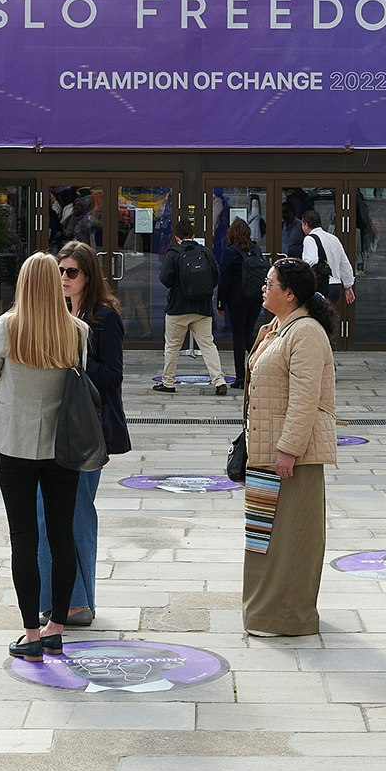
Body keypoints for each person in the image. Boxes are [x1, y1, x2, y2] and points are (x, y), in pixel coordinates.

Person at [0, 253, 94, 661]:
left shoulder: (7, 327)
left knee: (23, 539)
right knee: (61, 535)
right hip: (61, 447)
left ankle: (30, 633)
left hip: (14, 441)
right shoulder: (77, 330)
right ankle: (56, 628)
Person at [241, 256, 339, 637]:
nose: (264, 288)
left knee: (291, 538)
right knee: (264, 536)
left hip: (290, 457)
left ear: (290, 293)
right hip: (265, 452)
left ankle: (288, 616)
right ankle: (264, 612)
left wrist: (289, 448)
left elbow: (305, 398)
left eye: (270, 283)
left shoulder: (306, 333)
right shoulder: (278, 328)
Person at [40, 241, 129, 627]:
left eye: (71, 272)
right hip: (56, 427)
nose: (63, 278)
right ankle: (57, 598)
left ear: (88, 276)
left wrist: (73, 368)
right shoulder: (55, 314)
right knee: (48, 514)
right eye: (60, 270)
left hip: (90, 427)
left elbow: (113, 374)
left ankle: (78, 602)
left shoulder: (104, 318)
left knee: (77, 513)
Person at [154, 215, 228, 395]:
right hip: (202, 308)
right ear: (193, 235)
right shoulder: (205, 252)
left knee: (172, 346)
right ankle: (219, 381)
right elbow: (215, 277)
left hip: (178, 308)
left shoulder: (174, 254)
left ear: (177, 237)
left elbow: (165, 279)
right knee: (208, 345)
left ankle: (168, 382)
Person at [216, 219, 260, 390]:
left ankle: (241, 377)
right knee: (248, 333)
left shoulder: (230, 253)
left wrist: (221, 303)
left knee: (239, 336)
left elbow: (224, 279)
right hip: (255, 299)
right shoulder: (255, 249)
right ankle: (260, 362)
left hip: (237, 300)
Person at [299, 209, 356, 309]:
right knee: (327, 318)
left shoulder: (310, 239)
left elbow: (311, 261)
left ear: (306, 225)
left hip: (322, 286)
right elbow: (344, 263)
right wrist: (348, 285)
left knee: (316, 318)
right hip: (336, 286)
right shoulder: (334, 238)